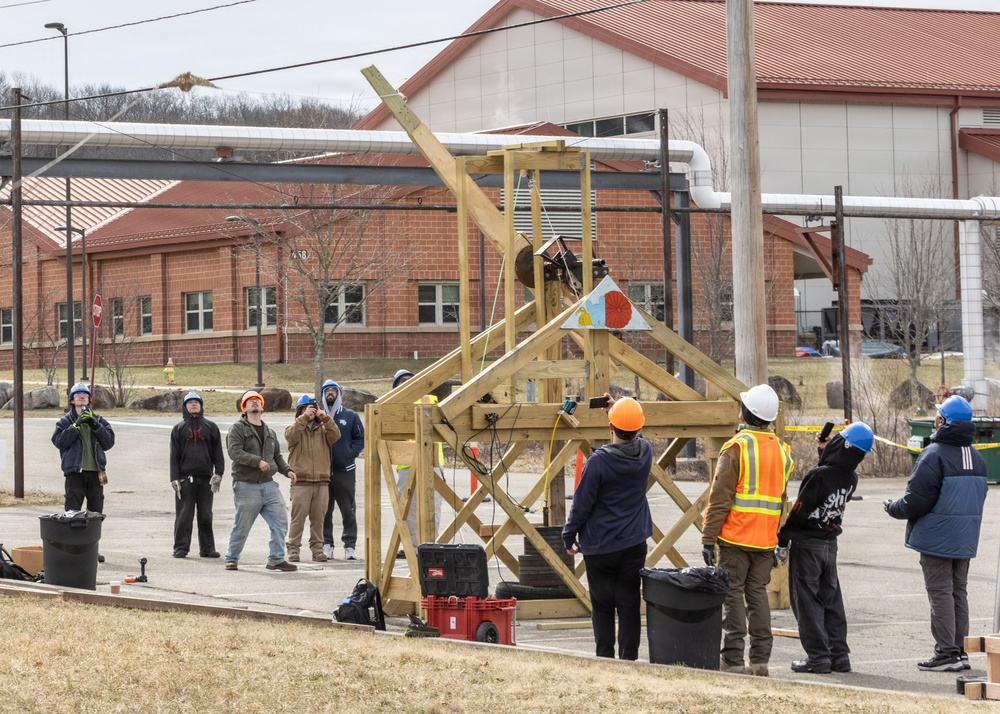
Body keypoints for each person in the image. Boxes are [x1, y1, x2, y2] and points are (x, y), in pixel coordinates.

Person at [884, 394, 988, 672]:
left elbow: (915, 500)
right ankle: (960, 652)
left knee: (940, 593)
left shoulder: (934, 454)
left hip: (937, 538)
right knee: (958, 592)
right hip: (965, 537)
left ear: (944, 421)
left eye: (938, 414)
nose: (934, 418)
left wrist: (892, 508)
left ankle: (946, 653)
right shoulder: (977, 457)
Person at [702, 383, 793, 677]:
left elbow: (720, 498)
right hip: (766, 540)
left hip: (735, 538)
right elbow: (781, 499)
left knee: (733, 597)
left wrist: (707, 537)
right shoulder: (782, 451)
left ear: (745, 413)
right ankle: (761, 661)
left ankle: (732, 660)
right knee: (757, 597)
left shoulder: (736, 448)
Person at [778, 421, 873, 674]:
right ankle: (839, 655)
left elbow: (800, 510)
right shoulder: (851, 477)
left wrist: (783, 539)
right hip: (830, 543)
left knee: (806, 602)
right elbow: (832, 476)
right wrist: (824, 450)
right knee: (831, 600)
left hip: (807, 543)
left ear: (843, 445)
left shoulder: (817, 476)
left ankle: (818, 657)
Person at [562, 395, 652, 661]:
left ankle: (604, 657)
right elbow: (634, 432)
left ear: (611, 428)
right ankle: (629, 657)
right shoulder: (645, 453)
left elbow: (582, 504)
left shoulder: (598, 462)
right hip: (634, 542)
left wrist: (569, 534)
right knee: (629, 602)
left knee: (602, 605)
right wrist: (618, 410)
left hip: (600, 545)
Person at [224, 390, 298, 572]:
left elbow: (277, 457)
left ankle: (276, 559)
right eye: (250, 401)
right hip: (246, 485)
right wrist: (257, 462)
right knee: (242, 525)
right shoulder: (238, 429)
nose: (255, 402)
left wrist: (287, 470)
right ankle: (231, 558)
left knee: (280, 522)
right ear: (244, 407)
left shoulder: (270, 432)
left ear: (262, 406)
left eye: (258, 400)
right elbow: (234, 452)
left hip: (269, 485)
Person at [51, 382, 116, 563]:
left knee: (95, 513)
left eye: (85, 395)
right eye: (78, 395)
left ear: (89, 399)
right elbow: (59, 441)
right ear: (72, 400)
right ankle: (71, 549)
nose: (82, 397)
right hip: (75, 473)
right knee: (72, 512)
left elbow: (109, 443)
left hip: (95, 472)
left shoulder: (99, 420)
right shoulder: (65, 421)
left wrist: (95, 424)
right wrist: (76, 426)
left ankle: (92, 550)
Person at [391, 368, 443, 558]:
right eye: (401, 381)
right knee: (409, 510)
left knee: (433, 508)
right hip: (406, 463)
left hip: (432, 462)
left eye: (409, 380)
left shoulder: (430, 400)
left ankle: (431, 547)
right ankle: (413, 549)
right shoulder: (393, 405)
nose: (406, 384)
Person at [169, 391, 225, 559]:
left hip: (206, 479)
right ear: (185, 407)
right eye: (190, 402)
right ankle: (181, 547)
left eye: (197, 402)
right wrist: (174, 478)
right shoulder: (178, 429)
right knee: (184, 515)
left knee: (206, 515)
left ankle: (207, 548)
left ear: (201, 406)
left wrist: (219, 474)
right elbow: (174, 456)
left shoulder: (211, 427)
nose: (194, 404)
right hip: (186, 479)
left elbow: (218, 454)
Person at [285, 394, 340, 562]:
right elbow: (290, 437)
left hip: (322, 482)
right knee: (298, 519)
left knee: (318, 520)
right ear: (299, 411)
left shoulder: (323, 431)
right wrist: (303, 418)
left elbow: (336, 435)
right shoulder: (294, 428)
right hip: (301, 481)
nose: (309, 413)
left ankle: (317, 550)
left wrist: (325, 418)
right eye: (304, 409)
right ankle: (293, 550)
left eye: (312, 410)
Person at [320, 380, 365, 561]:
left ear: (339, 394)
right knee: (324, 511)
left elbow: (360, 438)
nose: (330, 393)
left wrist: (349, 453)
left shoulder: (350, 415)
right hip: (323, 472)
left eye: (333, 391)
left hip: (345, 471)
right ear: (323, 395)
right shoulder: (318, 416)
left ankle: (349, 546)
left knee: (348, 511)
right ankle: (327, 544)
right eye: (327, 391)